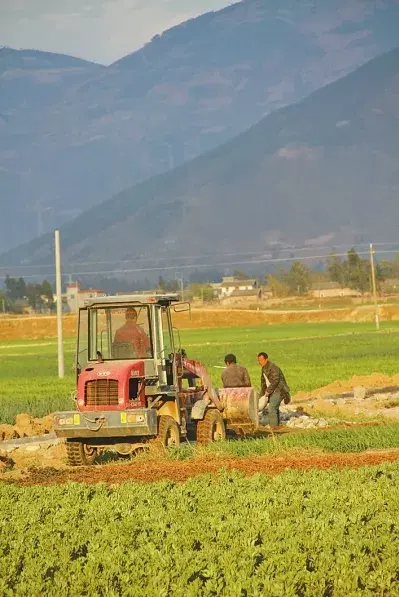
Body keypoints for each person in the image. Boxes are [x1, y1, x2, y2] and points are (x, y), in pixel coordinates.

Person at [257, 352, 291, 429]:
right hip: (273, 390)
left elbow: (276, 380)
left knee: (271, 408)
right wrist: (261, 396)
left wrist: (268, 391)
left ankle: (274, 428)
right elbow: (263, 384)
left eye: (261, 360)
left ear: (266, 359)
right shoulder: (264, 368)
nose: (260, 362)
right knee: (275, 408)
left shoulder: (273, 367)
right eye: (259, 360)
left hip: (279, 390)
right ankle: (277, 425)